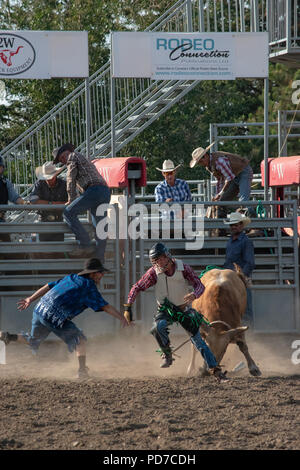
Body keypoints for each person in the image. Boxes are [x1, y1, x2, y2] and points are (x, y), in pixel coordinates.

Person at [0, 258, 129, 379]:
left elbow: (48, 286)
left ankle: (7, 336)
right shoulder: (88, 287)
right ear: (93, 274)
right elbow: (105, 307)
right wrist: (122, 318)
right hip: (54, 315)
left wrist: (30, 299)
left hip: (40, 308)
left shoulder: (71, 277)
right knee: (80, 340)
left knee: (34, 339)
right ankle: (82, 371)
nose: (102, 275)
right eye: (101, 273)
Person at [124, 242, 228, 383]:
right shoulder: (154, 273)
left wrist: (194, 295)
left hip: (183, 308)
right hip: (165, 309)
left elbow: (199, 285)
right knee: (157, 327)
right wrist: (128, 306)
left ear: (168, 256)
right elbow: (137, 287)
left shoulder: (183, 268)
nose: (160, 262)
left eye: (161, 258)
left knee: (198, 341)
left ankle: (216, 370)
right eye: (157, 260)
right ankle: (167, 354)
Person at [53, 143, 111, 260]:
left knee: (68, 212)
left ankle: (85, 244)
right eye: (61, 160)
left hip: (94, 190)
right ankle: (99, 259)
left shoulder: (73, 156)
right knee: (99, 226)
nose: (64, 161)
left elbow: (70, 178)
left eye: (63, 157)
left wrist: (71, 199)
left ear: (67, 152)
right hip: (104, 191)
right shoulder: (82, 158)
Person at [190, 143, 254, 217]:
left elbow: (229, 179)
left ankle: (255, 224)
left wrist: (220, 193)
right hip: (233, 176)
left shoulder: (219, 161)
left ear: (205, 156)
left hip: (243, 172)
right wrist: (219, 195)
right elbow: (220, 179)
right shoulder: (210, 166)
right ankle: (222, 226)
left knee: (243, 201)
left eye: (200, 161)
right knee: (221, 202)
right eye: (199, 163)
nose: (201, 164)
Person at [223, 211, 255, 326]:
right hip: (230, 279)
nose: (234, 227)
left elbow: (250, 263)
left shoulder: (246, 241)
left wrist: (240, 277)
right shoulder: (230, 241)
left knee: (245, 308)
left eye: (236, 225)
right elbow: (228, 261)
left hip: (241, 279)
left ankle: (249, 334)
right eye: (232, 225)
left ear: (241, 225)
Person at [29, 161, 68, 241]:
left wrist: (44, 203)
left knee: (58, 248)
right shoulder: (40, 183)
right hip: (43, 219)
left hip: (58, 219)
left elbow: (70, 202)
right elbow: (32, 201)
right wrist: (54, 204)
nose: (48, 179)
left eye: (50, 177)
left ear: (55, 175)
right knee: (44, 249)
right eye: (46, 177)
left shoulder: (64, 184)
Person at [0, 155, 25, 242]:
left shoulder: (5, 182)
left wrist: (25, 203)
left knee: (7, 247)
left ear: (3, 168)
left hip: (1, 221)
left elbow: (14, 197)